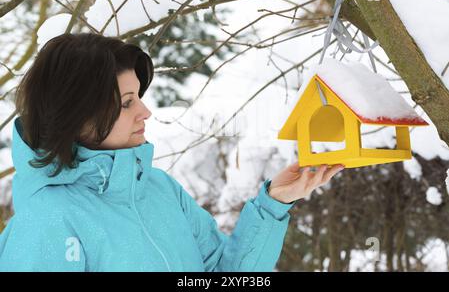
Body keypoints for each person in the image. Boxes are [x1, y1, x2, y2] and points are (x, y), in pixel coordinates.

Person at [0, 33, 344, 271]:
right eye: (126, 103)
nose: (145, 112)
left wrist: (273, 206)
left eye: (139, 96)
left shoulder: (159, 189)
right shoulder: (47, 222)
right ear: (77, 116)